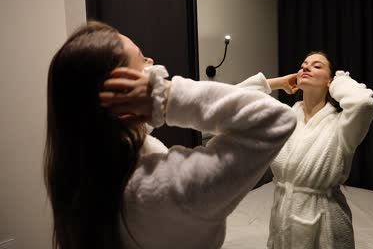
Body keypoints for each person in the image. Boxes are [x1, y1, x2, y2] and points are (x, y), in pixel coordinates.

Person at [43, 20, 297, 249]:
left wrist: (270, 84)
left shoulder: (84, 168)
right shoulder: (168, 188)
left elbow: (217, 107)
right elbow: (274, 118)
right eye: (142, 59)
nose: (151, 62)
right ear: (125, 96)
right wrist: (165, 96)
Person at [237, 51, 373, 249]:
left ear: (330, 81)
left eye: (317, 66)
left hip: (325, 228)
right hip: (283, 224)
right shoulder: (282, 120)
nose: (306, 67)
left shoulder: (342, 126)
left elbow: (363, 103)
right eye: (303, 64)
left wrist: (339, 81)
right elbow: (232, 102)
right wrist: (276, 83)